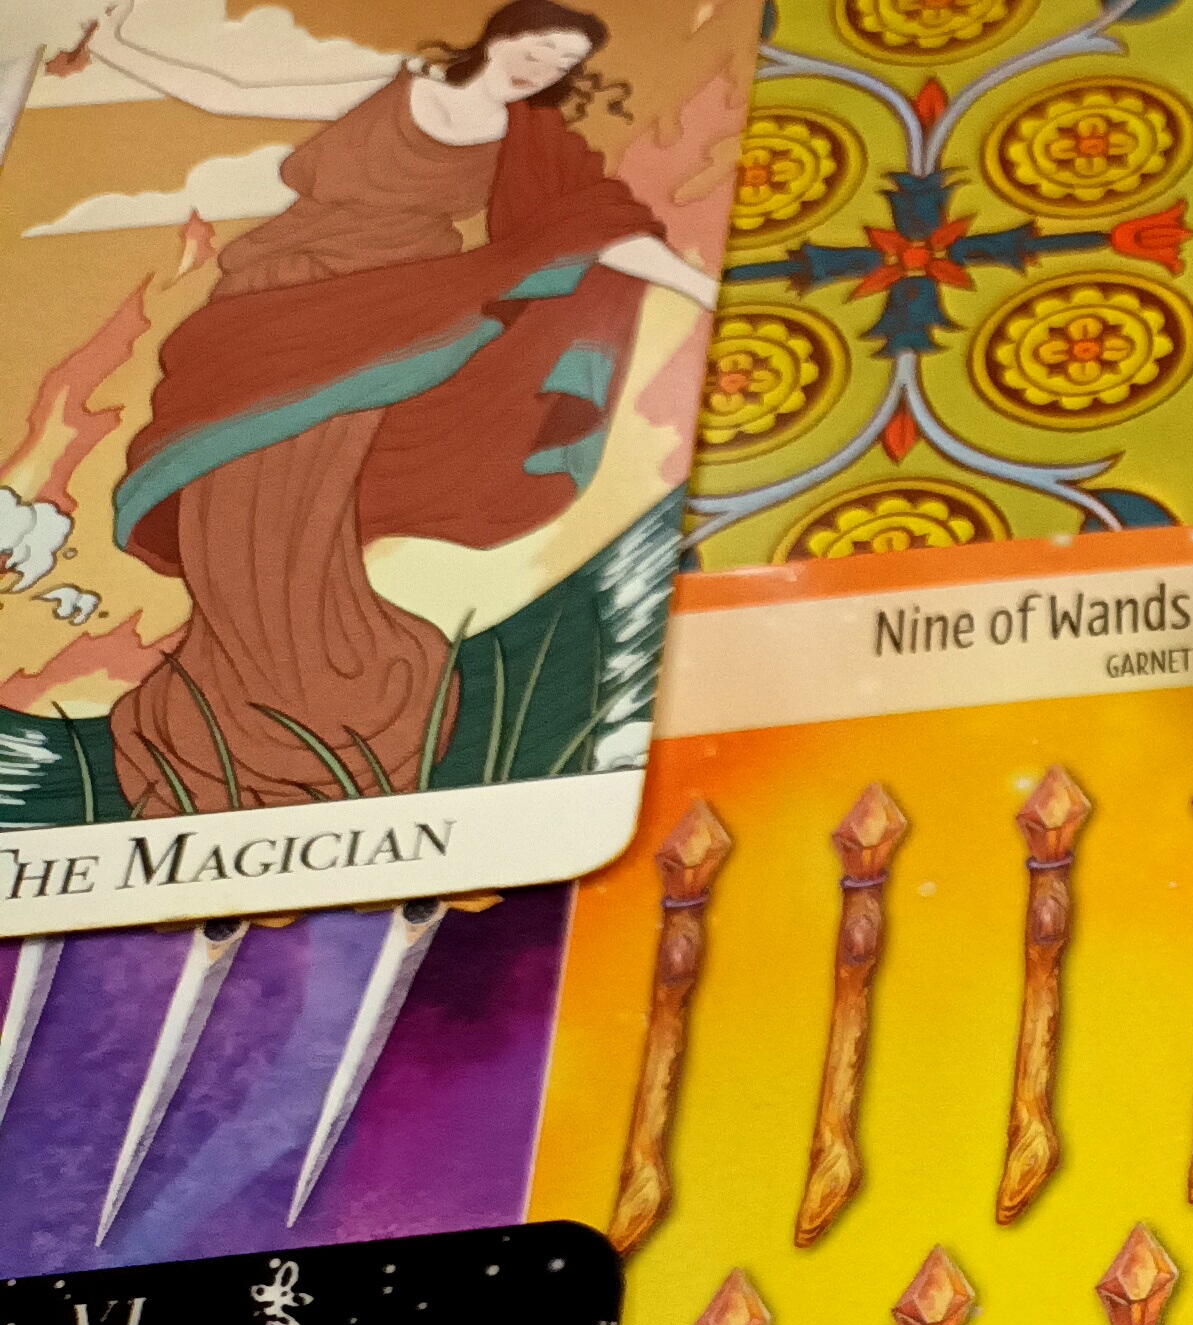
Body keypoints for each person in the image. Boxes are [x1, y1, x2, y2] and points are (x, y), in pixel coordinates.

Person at [66, 0, 715, 816]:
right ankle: (227, 721)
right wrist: (116, 47)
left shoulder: (532, 142)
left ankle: (321, 711)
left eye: (561, 63)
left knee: (295, 505)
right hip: (273, 302)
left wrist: (703, 287)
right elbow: (231, 91)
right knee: (221, 506)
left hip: (386, 318)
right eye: (539, 46)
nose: (543, 68)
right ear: (503, 34)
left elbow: (599, 229)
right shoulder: (392, 87)